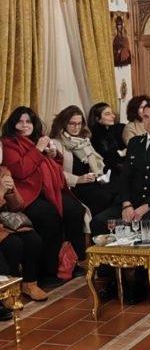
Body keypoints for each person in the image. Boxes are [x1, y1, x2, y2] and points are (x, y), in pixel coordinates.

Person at [90, 100, 150, 303]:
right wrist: (126, 204)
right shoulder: (135, 143)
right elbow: (126, 177)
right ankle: (113, 281)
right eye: (146, 117)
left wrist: (146, 206)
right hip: (131, 202)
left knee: (148, 225)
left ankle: (147, 283)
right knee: (99, 222)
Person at [1, 107, 86, 287]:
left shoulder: (36, 140)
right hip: (27, 195)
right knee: (50, 218)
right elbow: (21, 170)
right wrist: (38, 149)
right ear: (13, 124)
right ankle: (47, 272)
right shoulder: (9, 143)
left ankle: (73, 261)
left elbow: (53, 167)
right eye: (20, 121)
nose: (25, 125)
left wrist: (54, 155)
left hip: (48, 189)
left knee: (75, 210)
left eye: (28, 122)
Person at [50, 105, 115, 216]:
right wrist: (78, 179)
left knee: (117, 193)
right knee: (104, 197)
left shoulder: (84, 141)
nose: (76, 127)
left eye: (79, 123)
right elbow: (54, 172)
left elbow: (96, 167)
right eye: (72, 124)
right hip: (72, 186)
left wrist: (100, 177)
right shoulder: (55, 143)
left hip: (91, 182)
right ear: (64, 123)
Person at [0, 160, 47, 301]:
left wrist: (10, 191)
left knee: (33, 240)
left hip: (5, 223)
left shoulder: (3, 171)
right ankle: (9, 290)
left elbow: (18, 206)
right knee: (14, 244)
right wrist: (1, 192)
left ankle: (29, 284)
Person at [88, 102, 127, 179]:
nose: (113, 116)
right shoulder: (96, 135)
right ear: (97, 118)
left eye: (112, 113)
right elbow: (105, 159)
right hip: (108, 175)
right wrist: (122, 153)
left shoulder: (116, 129)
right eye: (107, 114)